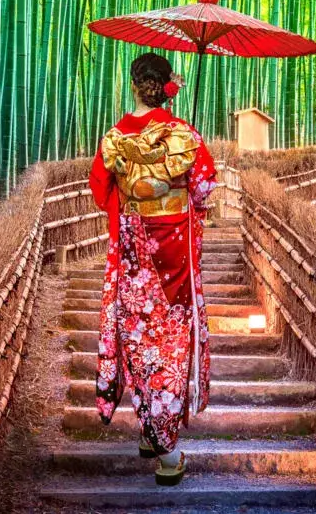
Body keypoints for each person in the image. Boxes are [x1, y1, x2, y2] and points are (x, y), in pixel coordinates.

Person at [88, 52, 218, 486]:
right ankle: (168, 452)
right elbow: (202, 189)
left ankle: (149, 428)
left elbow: (99, 190)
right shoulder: (183, 134)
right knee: (168, 338)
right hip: (173, 252)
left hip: (132, 249)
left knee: (137, 332)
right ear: (167, 86)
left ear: (132, 84)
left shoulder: (115, 136)